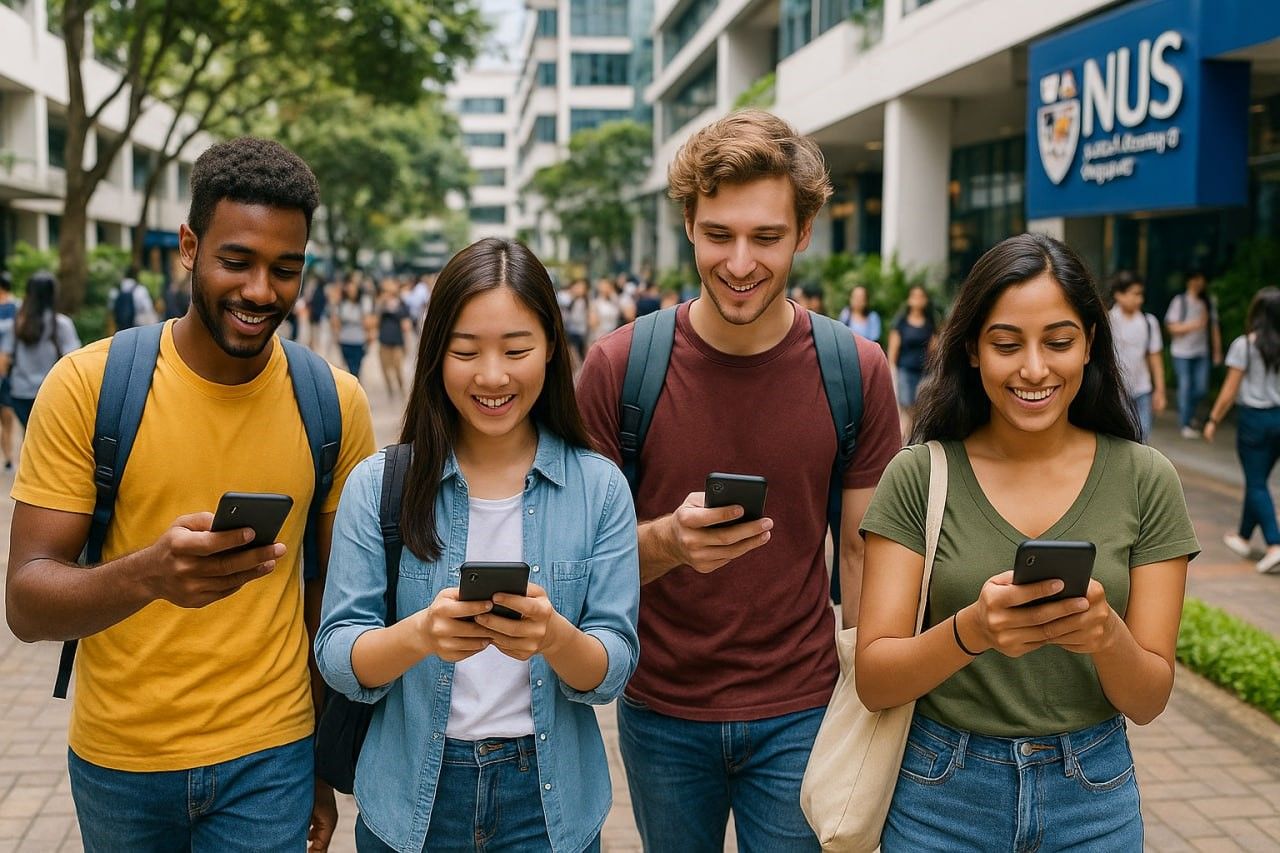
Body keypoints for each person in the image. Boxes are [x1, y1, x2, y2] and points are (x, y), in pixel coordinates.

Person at [4, 137, 376, 853]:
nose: (261, 291)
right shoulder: (89, 386)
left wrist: (321, 766)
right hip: (121, 759)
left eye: (285, 269)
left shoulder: (334, 402)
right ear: (188, 247)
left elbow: (330, 595)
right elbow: (25, 601)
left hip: (272, 752)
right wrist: (150, 573)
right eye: (236, 261)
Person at [575, 109, 901, 853]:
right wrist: (666, 542)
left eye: (767, 236)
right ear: (688, 223)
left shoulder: (857, 370)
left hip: (803, 707)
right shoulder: (620, 367)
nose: (741, 261)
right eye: (719, 234)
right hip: (661, 706)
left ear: (805, 232)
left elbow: (860, 557)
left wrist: (871, 706)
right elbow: (579, 560)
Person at [857, 233, 1198, 851]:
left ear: (1091, 343)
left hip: (1093, 798)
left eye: (1059, 342)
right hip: (941, 795)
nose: (1035, 369)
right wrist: (974, 631)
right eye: (1007, 345)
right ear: (971, 350)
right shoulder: (919, 474)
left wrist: (1105, 634)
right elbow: (875, 678)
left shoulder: (1147, 480)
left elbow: (1148, 698)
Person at [316, 238, 639, 853]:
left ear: (550, 348)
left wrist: (554, 637)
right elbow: (337, 653)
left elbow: (613, 666)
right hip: (411, 795)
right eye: (466, 352)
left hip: (548, 805)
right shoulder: (379, 484)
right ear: (436, 354)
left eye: (516, 350)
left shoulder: (599, 489)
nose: (492, 377)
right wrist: (420, 635)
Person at [1204, 286, 1280, 575]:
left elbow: (1230, 390)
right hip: (1278, 420)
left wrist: (1213, 419)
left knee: (1257, 481)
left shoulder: (1245, 345)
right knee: (1257, 478)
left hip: (1253, 423)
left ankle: (1275, 544)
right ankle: (1244, 537)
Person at [3, 271, 81, 428]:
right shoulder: (61, 324)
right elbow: (75, 362)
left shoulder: (18, 324)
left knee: (30, 435)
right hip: (52, 394)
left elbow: (3, 360)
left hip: (21, 393)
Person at [1108, 271, 1166, 442]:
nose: (1139, 299)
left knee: (1142, 437)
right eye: (1135, 294)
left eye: (1141, 294)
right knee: (1122, 438)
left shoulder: (1149, 323)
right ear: (1119, 295)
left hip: (1142, 389)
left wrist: (1160, 391)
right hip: (1116, 391)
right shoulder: (1108, 320)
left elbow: (1155, 357)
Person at [1165, 269, 1222, 438]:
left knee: (1201, 388)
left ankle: (1189, 415)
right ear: (1189, 281)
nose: (1199, 282)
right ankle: (1185, 423)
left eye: (1201, 279)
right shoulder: (1179, 301)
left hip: (1201, 352)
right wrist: (1196, 325)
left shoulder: (1208, 302)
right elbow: (1172, 327)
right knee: (1185, 386)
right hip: (1181, 352)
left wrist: (1217, 351)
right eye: (1195, 278)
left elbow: (1214, 328)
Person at [887, 284, 938, 418]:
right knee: (907, 406)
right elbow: (893, 351)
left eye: (921, 296)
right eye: (914, 296)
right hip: (905, 370)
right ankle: (909, 436)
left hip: (924, 372)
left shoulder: (930, 324)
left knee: (922, 406)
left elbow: (934, 349)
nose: (918, 299)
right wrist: (892, 373)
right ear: (909, 299)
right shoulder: (901, 323)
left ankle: (915, 436)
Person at [374, 276, 411, 399]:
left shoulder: (401, 303)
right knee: (385, 369)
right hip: (384, 340)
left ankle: (401, 389)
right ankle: (390, 390)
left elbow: (406, 323)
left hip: (397, 341)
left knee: (398, 368)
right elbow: (375, 319)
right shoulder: (380, 303)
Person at [333, 274, 375, 380]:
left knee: (355, 369)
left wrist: (370, 335)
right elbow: (336, 321)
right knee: (349, 367)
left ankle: (356, 389)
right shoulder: (342, 303)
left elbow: (368, 322)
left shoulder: (364, 301)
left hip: (359, 340)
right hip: (345, 339)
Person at [0, 271, 19, 470]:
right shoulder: (18, 309)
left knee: (7, 416)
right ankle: (8, 457)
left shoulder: (16, 307)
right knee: (7, 417)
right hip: (9, 371)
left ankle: (8, 457)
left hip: (6, 372)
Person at [106, 266, 160, 333]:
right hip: (136, 328)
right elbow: (148, 308)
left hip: (119, 328)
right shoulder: (140, 290)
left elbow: (110, 310)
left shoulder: (115, 290)